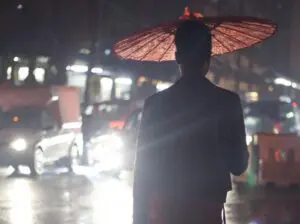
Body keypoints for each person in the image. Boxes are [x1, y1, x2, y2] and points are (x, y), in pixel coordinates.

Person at [133, 20, 249, 224]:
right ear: (209, 58)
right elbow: (238, 165)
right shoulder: (227, 102)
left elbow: (143, 171)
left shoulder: (155, 104)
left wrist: (139, 218)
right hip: (207, 213)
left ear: (177, 57)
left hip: (164, 212)